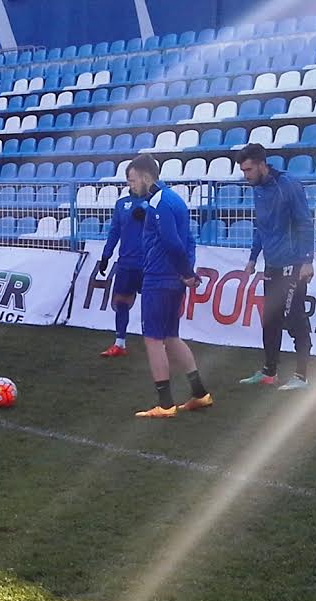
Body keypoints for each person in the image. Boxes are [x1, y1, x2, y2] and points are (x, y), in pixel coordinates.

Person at [126, 155, 213, 418]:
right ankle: (200, 394)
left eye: (132, 180)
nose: (131, 187)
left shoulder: (158, 202)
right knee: (171, 337)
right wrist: (187, 273)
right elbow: (189, 240)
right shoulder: (175, 199)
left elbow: (172, 242)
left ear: (144, 176)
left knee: (153, 339)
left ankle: (165, 404)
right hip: (172, 279)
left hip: (160, 278)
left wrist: (186, 273)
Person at [237, 143, 315, 391]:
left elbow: (305, 222)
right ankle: (269, 372)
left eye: (248, 169)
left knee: (294, 319)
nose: (246, 175)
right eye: (243, 170)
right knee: (269, 320)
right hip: (272, 265)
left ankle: (302, 376)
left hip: (293, 264)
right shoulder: (257, 188)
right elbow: (262, 226)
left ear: (262, 164)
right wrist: (252, 258)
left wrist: (307, 260)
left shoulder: (288, 185)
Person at [97, 183, 147, 358]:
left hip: (149, 262)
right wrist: (105, 256)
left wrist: (146, 208)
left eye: (134, 178)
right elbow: (114, 231)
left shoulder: (154, 201)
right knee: (121, 302)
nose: (132, 183)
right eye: (129, 179)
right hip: (126, 263)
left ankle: (157, 343)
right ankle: (120, 343)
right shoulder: (121, 204)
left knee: (152, 304)